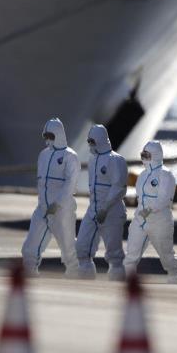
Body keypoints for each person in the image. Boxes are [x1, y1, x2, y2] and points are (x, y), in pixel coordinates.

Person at [21, 117, 81, 277]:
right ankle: (29, 270)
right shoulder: (43, 155)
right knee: (31, 243)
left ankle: (75, 271)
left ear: (59, 135)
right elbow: (41, 181)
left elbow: (70, 184)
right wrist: (43, 203)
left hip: (61, 210)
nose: (47, 139)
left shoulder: (70, 156)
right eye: (45, 136)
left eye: (51, 136)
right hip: (42, 208)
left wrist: (58, 204)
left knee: (67, 245)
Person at [123, 141, 177, 284]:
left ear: (155, 155)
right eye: (142, 154)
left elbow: (164, 200)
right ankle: (129, 281)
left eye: (146, 154)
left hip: (160, 222)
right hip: (140, 220)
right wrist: (139, 215)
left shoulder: (166, 175)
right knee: (131, 255)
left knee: (166, 255)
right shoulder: (142, 175)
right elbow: (139, 198)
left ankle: (175, 275)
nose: (143, 157)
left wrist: (148, 211)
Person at [75, 125, 128, 280]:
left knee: (114, 252)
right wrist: (97, 209)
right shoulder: (93, 160)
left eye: (92, 141)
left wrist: (105, 208)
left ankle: (117, 276)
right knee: (82, 246)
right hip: (94, 210)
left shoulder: (116, 160)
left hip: (111, 212)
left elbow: (119, 187)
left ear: (100, 140)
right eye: (88, 141)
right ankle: (86, 275)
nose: (90, 144)